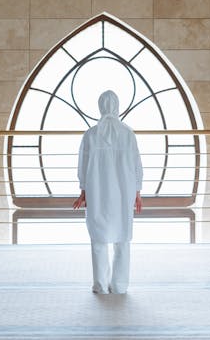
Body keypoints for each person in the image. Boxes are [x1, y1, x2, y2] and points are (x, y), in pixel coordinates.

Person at [73, 90, 143, 294]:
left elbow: (83, 165)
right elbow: (137, 165)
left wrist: (83, 190)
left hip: (98, 191)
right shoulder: (128, 134)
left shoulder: (91, 135)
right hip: (124, 191)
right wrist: (137, 191)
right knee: (122, 238)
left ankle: (101, 285)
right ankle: (120, 285)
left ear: (100, 106)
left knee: (99, 238)